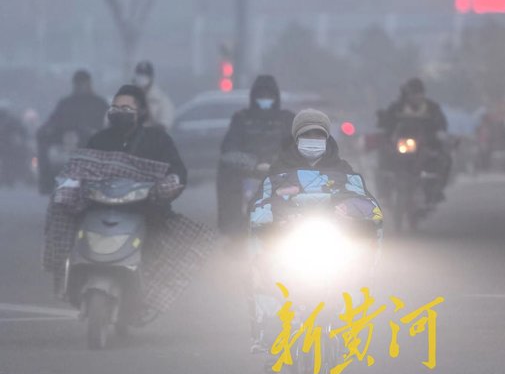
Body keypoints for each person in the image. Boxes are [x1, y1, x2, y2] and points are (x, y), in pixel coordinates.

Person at [44, 84, 214, 318]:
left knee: (163, 249)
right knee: (65, 219)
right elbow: (80, 167)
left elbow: (176, 170)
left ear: (141, 111)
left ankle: (149, 295)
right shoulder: (99, 139)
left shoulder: (157, 140)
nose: (119, 112)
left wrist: (170, 183)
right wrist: (69, 185)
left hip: (144, 210)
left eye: (126, 108)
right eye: (115, 108)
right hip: (99, 207)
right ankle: (69, 279)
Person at [246, 109, 382, 353]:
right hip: (287, 241)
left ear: (326, 138)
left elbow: (365, 202)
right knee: (266, 275)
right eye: (307, 135)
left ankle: (348, 328)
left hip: (333, 240)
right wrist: (276, 217)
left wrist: (353, 213)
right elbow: (259, 203)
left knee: (354, 275)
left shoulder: (343, 169)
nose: (313, 140)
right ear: (297, 138)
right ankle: (271, 331)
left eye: (318, 135)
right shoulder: (278, 170)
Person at [217, 75, 294, 234]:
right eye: (261, 95)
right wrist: (254, 164)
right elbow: (229, 149)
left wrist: (278, 163)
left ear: (276, 97)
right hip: (246, 175)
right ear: (254, 96)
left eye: (269, 96)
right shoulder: (241, 119)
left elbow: (297, 147)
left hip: (282, 176)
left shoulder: (287, 120)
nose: (265, 99)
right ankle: (234, 232)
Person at [377, 77, 451, 203]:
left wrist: (438, 132)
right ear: (407, 94)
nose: (417, 96)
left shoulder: (432, 108)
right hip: (399, 144)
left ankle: (437, 190)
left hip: (426, 144)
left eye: (419, 93)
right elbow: (387, 123)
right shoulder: (397, 108)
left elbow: (441, 123)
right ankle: (385, 193)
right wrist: (384, 126)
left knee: (445, 159)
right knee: (382, 159)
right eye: (413, 93)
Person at [37, 70, 108, 194]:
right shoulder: (66, 103)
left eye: (83, 83)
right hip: (64, 137)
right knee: (43, 141)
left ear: (89, 84)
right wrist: (44, 130)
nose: (81, 86)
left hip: (90, 139)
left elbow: (107, 123)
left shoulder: (99, 103)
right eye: (78, 83)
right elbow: (54, 120)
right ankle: (46, 181)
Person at [133, 60, 174, 130]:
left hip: (151, 135)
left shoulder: (161, 99)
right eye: (139, 74)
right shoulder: (127, 96)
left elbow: (165, 122)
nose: (141, 78)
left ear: (151, 77)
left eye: (145, 74)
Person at [0, 101, 30, 187]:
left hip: (9, 145)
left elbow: (22, 131)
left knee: (10, 161)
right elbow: (23, 131)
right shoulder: (13, 120)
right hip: (7, 145)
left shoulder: (12, 120)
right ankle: (8, 178)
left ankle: (9, 178)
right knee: (8, 161)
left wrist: (22, 140)